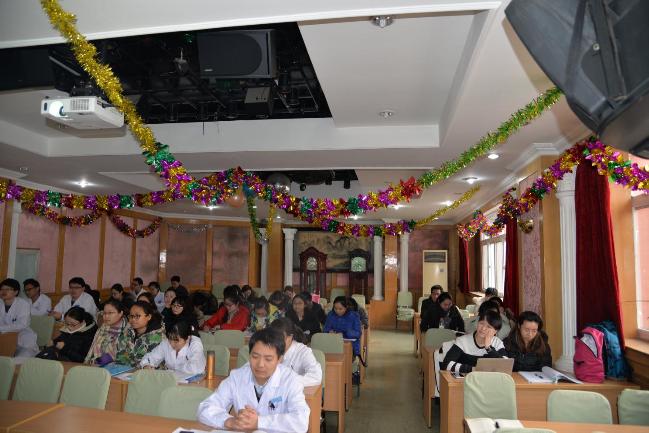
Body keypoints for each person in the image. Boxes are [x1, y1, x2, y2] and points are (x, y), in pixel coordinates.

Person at [197, 328, 310, 433]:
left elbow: (301, 421)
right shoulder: (237, 377)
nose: (260, 364)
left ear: (279, 359)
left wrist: (258, 422)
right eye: (255, 357)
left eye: (268, 359)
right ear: (249, 355)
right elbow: (205, 408)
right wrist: (230, 422)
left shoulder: (291, 380)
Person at [440, 310, 507, 375]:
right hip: (465, 380)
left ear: (495, 331)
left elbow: (505, 367)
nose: (483, 328)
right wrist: (474, 369)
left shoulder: (497, 343)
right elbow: (446, 364)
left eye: (489, 327)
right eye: (481, 323)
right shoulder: (462, 341)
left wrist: (489, 348)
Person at [140, 321, 206, 375]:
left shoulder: (195, 344)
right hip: (172, 380)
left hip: (195, 382)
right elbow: (150, 358)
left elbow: (196, 368)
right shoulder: (166, 343)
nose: (171, 344)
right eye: (170, 339)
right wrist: (146, 365)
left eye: (176, 341)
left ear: (188, 338)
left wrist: (175, 368)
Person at [270, 318, 322, 387]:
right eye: (273, 338)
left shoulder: (303, 352)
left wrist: (288, 380)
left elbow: (316, 376)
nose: (275, 341)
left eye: (280, 338)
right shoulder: (267, 349)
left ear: (290, 337)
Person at [115, 301, 165, 366]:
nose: (133, 319)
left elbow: (151, 363)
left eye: (137, 316)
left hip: (148, 371)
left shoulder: (157, 338)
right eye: (131, 316)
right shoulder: (128, 332)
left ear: (149, 317)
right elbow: (120, 355)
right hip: (124, 369)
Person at [0, 278, 39, 356]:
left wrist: (1, 328)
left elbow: (22, 325)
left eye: (7, 289)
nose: (4, 291)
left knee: (20, 360)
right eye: (2, 289)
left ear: (16, 292)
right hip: (4, 339)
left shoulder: (23, 304)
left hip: (23, 340)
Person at [85, 299, 129, 365]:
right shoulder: (103, 328)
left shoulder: (127, 330)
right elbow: (92, 349)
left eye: (110, 313)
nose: (106, 316)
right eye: (104, 313)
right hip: (95, 364)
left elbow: (125, 355)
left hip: (115, 367)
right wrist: (87, 363)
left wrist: (102, 360)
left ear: (120, 313)